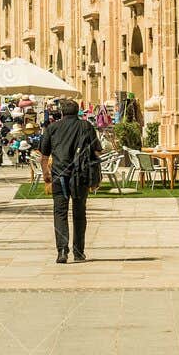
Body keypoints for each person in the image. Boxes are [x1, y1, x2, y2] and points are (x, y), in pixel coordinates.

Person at [40, 97, 101, 263]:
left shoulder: (52, 128)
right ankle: (79, 252)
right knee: (79, 213)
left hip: (59, 176)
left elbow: (44, 155)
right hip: (80, 176)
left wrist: (46, 173)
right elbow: (97, 152)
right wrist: (95, 175)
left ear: (61, 112)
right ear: (78, 112)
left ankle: (62, 251)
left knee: (60, 213)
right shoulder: (86, 126)